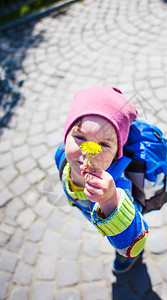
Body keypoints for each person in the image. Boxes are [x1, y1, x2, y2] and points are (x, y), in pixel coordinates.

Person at [55, 86, 148, 273]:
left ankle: (124, 259)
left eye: (104, 144)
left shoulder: (119, 185)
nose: (88, 150)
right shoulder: (61, 156)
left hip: (123, 230)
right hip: (86, 209)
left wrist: (110, 201)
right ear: (66, 139)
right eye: (80, 137)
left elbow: (136, 240)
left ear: (116, 155)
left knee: (122, 248)